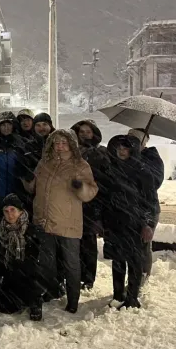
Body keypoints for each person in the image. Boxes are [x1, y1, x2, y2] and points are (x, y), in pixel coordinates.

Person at [30, 129, 98, 313]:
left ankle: (73, 299)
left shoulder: (80, 165)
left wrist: (80, 186)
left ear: (71, 144)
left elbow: (91, 192)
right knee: (47, 263)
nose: (59, 146)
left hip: (68, 221)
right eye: (56, 143)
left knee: (71, 263)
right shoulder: (45, 163)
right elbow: (34, 187)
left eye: (63, 143)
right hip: (44, 220)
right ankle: (51, 291)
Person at [102, 135, 155, 309]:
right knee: (118, 261)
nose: (122, 151)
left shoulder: (142, 172)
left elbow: (150, 201)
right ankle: (118, 294)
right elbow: (104, 196)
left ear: (132, 150)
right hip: (115, 223)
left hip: (135, 224)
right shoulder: (111, 169)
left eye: (125, 148)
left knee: (135, 262)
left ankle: (132, 296)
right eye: (119, 148)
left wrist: (148, 224)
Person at [0, 194, 49, 321]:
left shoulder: (33, 231)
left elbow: (42, 262)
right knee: (6, 307)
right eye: (6, 211)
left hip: (31, 277)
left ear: (20, 211)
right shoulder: (0, 231)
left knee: (27, 268)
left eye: (13, 210)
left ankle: (36, 300)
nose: (10, 214)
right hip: (11, 275)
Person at [70, 120, 109, 290]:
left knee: (88, 242)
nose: (85, 134)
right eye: (82, 132)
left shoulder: (100, 153)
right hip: (71, 202)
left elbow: (104, 181)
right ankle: (73, 275)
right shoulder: (70, 152)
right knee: (72, 242)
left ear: (94, 134)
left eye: (88, 132)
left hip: (91, 204)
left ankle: (88, 277)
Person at [128, 128, 164, 284]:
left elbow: (154, 182)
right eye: (129, 137)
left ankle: (143, 277)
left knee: (143, 244)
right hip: (129, 208)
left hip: (147, 209)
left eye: (136, 138)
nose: (131, 141)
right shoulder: (126, 155)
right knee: (131, 245)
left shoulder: (152, 158)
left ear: (144, 142)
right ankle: (133, 277)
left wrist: (139, 163)